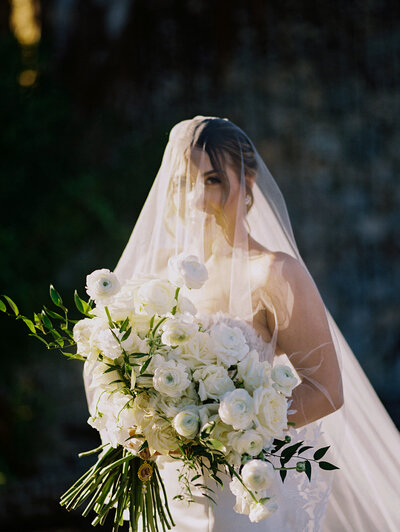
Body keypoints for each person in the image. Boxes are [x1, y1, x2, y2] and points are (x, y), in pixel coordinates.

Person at [85, 116, 400, 531]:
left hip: (245, 493)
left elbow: (325, 389)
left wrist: (230, 430)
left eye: (213, 179)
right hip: (173, 491)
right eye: (183, 184)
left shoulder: (275, 273)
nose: (197, 199)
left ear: (247, 180)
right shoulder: (160, 279)